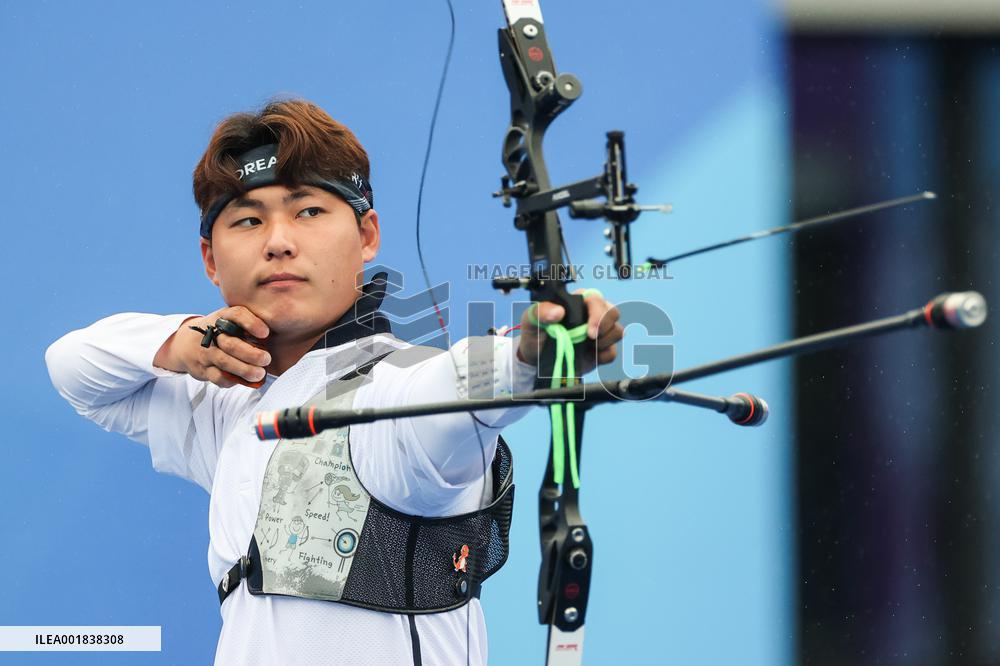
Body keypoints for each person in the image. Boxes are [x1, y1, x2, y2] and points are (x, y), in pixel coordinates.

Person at [44, 98, 623, 665]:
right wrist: (180, 341)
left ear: (367, 236)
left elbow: (455, 389)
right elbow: (73, 366)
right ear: (211, 261)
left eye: (309, 212)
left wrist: (526, 356)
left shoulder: (394, 387)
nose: (278, 241)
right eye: (247, 219)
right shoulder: (227, 404)